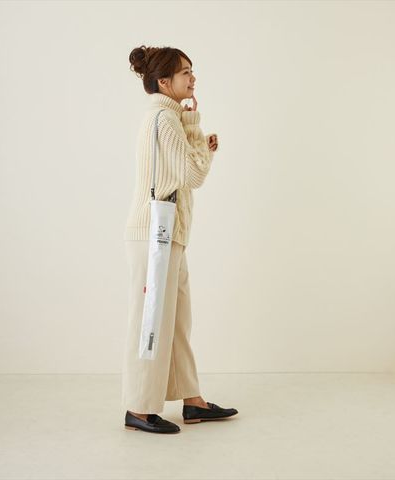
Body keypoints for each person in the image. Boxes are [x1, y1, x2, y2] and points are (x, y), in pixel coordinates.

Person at [122, 45, 238, 434]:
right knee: (152, 322)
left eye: (192, 70)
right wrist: (197, 134)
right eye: (185, 72)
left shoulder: (167, 117)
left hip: (166, 234)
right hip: (155, 235)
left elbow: (184, 171)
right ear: (164, 81)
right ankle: (139, 408)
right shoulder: (165, 119)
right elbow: (192, 176)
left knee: (175, 321)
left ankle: (192, 400)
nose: (192, 78)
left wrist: (193, 131)